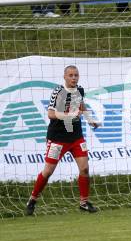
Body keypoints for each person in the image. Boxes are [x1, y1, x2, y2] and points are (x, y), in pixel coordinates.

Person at [25, 66, 100, 215]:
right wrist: (69, 115)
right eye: (71, 75)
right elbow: (51, 114)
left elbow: (81, 105)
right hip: (57, 138)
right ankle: (32, 200)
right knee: (48, 171)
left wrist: (90, 119)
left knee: (84, 168)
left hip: (76, 137)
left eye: (76, 75)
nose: (74, 78)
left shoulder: (80, 90)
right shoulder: (58, 92)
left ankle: (84, 202)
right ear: (64, 77)